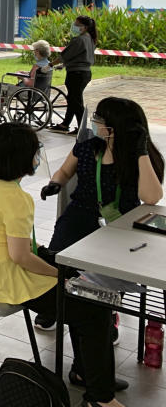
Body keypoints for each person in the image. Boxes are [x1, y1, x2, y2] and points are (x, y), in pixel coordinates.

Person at [0, 123, 127, 407]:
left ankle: (88, 376)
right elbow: (20, 256)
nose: (39, 155)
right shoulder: (17, 199)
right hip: (7, 277)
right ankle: (100, 398)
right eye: (36, 150)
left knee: (80, 284)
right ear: (21, 158)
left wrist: (62, 270)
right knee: (92, 310)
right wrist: (59, 275)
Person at [35, 97, 164, 336]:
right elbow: (65, 170)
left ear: (114, 128)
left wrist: (141, 151)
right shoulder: (88, 146)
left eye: (99, 119)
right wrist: (56, 183)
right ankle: (57, 305)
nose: (94, 122)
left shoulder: (137, 157)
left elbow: (152, 197)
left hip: (120, 222)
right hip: (80, 214)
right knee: (58, 259)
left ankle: (106, 313)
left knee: (109, 273)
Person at [48, 15, 97, 134]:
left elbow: (65, 55)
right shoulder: (89, 38)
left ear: (84, 27)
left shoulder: (79, 40)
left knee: (76, 102)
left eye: (76, 25)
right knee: (73, 99)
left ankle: (82, 128)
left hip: (76, 74)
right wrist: (64, 65)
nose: (74, 27)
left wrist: (50, 65)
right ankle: (65, 124)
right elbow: (78, 55)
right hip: (84, 72)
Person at [0, 39, 52, 117]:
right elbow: (35, 76)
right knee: (3, 87)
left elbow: (30, 83)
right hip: (42, 92)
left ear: (38, 51)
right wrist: (26, 73)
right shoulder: (47, 65)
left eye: (34, 51)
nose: (34, 52)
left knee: (0, 86)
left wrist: (21, 77)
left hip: (27, 92)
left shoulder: (37, 66)